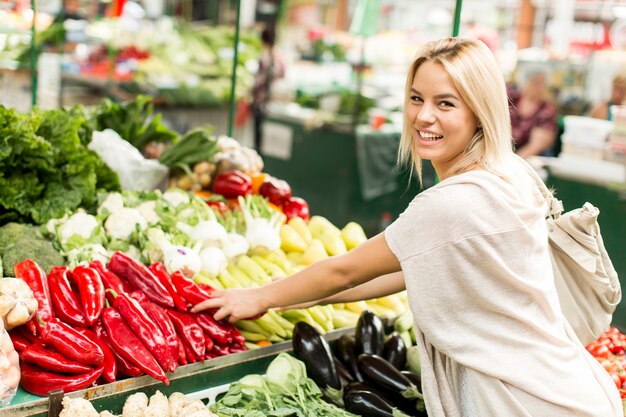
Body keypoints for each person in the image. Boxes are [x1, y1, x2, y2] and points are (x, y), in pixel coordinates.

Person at [192, 38, 621, 416]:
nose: (423, 116)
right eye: (416, 98)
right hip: (563, 389)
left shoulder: (450, 203)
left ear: (479, 111)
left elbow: (346, 269)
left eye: (445, 103)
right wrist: (280, 299)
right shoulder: (511, 173)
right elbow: (397, 273)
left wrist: (261, 296)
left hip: (523, 403)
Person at [508, 69, 558, 157]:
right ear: (523, 82)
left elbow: (535, 146)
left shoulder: (546, 109)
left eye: (543, 84)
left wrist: (510, 163)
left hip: (529, 158)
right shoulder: (511, 100)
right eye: (535, 82)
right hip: (504, 152)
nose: (539, 87)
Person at [251, 26, 285, 154]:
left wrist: (250, 93)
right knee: (270, 139)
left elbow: (258, 82)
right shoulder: (280, 57)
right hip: (275, 103)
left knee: (259, 138)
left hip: (261, 103)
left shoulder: (265, 58)